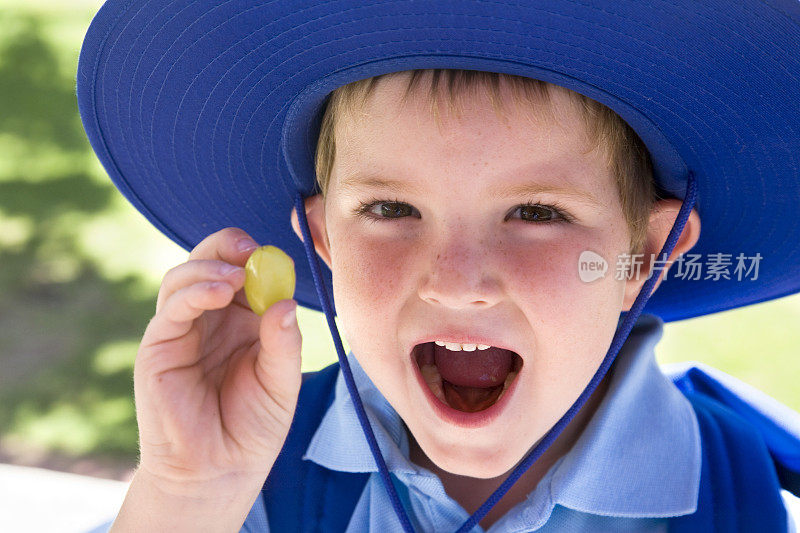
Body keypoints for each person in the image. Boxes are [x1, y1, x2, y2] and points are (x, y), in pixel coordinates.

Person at [76, 1, 800, 531]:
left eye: (537, 213)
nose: (456, 280)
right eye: (392, 210)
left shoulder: (732, 491)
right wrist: (189, 492)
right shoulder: (256, 471)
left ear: (644, 255)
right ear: (322, 239)